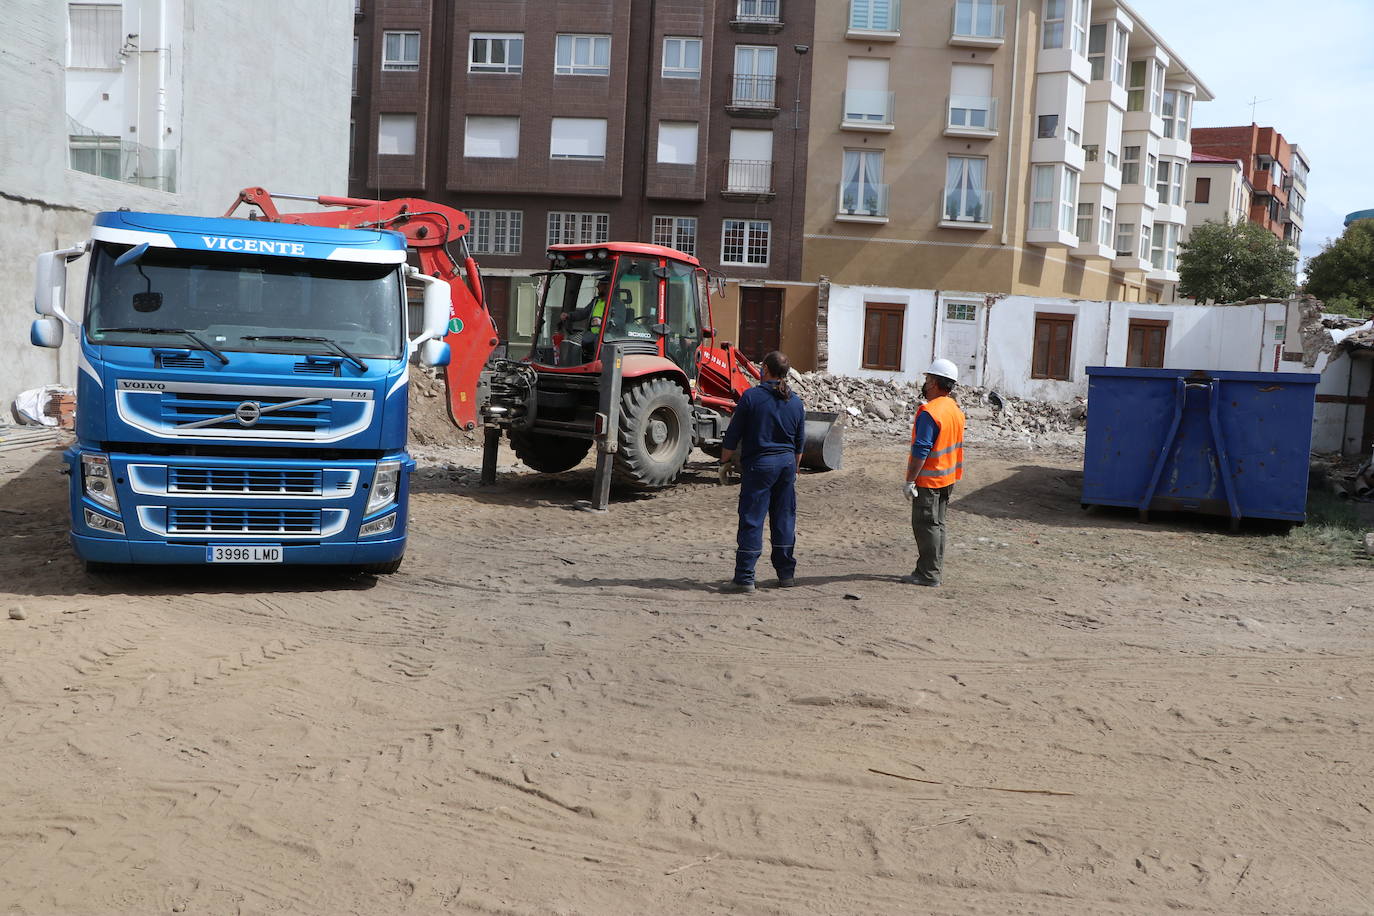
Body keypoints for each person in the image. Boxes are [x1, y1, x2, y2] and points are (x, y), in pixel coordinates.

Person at [719, 351, 805, 594]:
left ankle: (745, 578)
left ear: (765, 369)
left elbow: (733, 435)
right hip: (787, 466)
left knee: (752, 519)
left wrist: (723, 462)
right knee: (784, 519)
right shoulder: (796, 402)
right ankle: (786, 575)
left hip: (759, 466)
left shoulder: (751, 397)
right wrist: (794, 469)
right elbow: (800, 443)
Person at [903, 358, 966, 587]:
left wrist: (910, 480)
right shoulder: (954, 410)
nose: (925, 382)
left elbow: (922, 449)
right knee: (937, 525)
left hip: (930, 481)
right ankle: (930, 569)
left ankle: (928, 574)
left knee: (926, 526)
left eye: (928, 379)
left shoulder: (930, 412)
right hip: (947, 478)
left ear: (936, 383)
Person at [560, 275, 611, 361]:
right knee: (572, 342)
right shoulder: (596, 301)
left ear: (607, 287)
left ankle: (597, 364)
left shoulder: (616, 304)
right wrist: (569, 315)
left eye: (600, 285)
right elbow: (583, 313)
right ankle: (572, 366)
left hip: (606, 335)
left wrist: (602, 322)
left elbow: (618, 322)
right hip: (591, 333)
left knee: (598, 344)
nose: (597, 287)